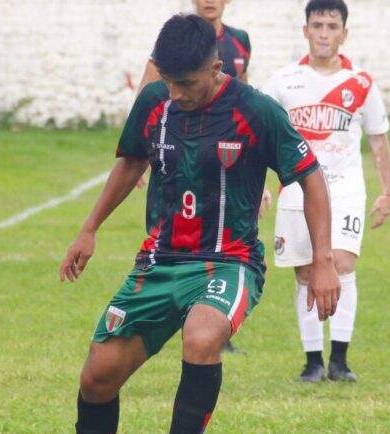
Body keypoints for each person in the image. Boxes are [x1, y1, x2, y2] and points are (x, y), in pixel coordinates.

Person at [60, 14, 340, 434]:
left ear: (215, 68)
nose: (176, 93)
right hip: (159, 262)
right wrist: (89, 228)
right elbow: (132, 161)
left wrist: (323, 260)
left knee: (202, 335)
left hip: (229, 261)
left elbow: (311, 178)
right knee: (97, 377)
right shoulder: (155, 101)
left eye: (186, 84)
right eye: (169, 81)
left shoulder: (256, 110)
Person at [263, 0, 390, 383]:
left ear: (344, 33)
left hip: (345, 187)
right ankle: (312, 360)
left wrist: (388, 191)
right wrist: (259, 188)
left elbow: (378, 140)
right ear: (305, 31)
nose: (323, 33)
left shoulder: (362, 83)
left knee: (340, 263)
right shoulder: (283, 81)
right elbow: (261, 138)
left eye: (331, 26)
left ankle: (340, 359)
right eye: (316, 25)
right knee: (305, 270)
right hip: (297, 189)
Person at [135, 0, 261, 353]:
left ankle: (214, 320)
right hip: (183, 153)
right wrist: (144, 152)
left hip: (228, 159)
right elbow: (150, 93)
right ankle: (191, 319)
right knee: (185, 233)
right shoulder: (176, 42)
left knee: (228, 236)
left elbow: (246, 100)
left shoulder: (240, 41)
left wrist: (257, 173)